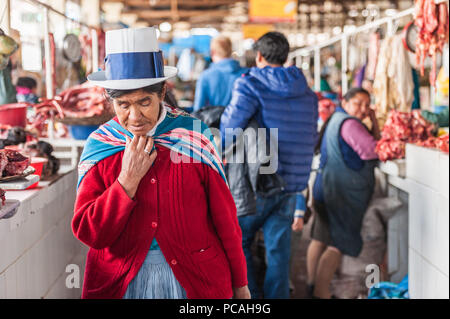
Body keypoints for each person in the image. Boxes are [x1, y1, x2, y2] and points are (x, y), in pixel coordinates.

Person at [72, 27, 250, 299]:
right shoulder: (101, 146)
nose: (134, 116)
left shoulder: (193, 137)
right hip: (123, 283)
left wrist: (240, 283)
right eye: (123, 105)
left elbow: (225, 219)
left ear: (162, 92)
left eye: (144, 102)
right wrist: (127, 181)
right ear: (112, 101)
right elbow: (90, 233)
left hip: (194, 281)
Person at [220, 32, 318, 299]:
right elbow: (312, 135)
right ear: (285, 57)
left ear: (259, 56)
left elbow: (230, 127)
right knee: (279, 250)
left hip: (260, 179)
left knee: (240, 243)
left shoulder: (250, 84)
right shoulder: (307, 92)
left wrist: (218, 150)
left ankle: (249, 299)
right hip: (292, 184)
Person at [307, 87, 381, 299]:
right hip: (340, 193)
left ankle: (312, 286)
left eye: (367, 105)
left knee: (319, 238)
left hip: (324, 187)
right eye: (358, 103)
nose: (364, 109)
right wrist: (373, 123)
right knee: (337, 245)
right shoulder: (350, 124)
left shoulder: (336, 118)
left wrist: (373, 119)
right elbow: (373, 150)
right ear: (346, 102)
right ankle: (321, 294)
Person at [193, 35, 247, 111]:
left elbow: (198, 110)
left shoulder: (205, 76)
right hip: (241, 122)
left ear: (212, 52)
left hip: (211, 122)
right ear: (230, 50)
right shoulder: (246, 74)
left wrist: (196, 123)